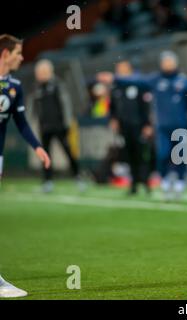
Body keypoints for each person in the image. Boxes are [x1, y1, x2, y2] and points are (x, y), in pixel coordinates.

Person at [98, 51, 187, 200]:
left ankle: (179, 185)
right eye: (165, 61)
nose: (167, 64)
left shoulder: (183, 81)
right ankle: (165, 183)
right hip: (162, 127)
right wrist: (115, 78)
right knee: (162, 155)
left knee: (181, 157)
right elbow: (135, 81)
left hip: (180, 126)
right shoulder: (156, 79)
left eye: (169, 61)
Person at [0, 34, 51, 298]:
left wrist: (38, 146)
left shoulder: (14, 86)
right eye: (18, 53)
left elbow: (20, 122)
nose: (22, 57)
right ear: (5, 54)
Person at [30, 59, 83, 193]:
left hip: (60, 126)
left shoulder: (58, 85)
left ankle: (78, 177)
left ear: (49, 71)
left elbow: (66, 105)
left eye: (41, 72)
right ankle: (47, 181)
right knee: (45, 155)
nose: (39, 75)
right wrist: (33, 122)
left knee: (69, 152)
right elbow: (34, 107)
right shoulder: (37, 88)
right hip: (44, 127)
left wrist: (67, 123)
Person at [109, 59, 153, 195]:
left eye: (123, 68)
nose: (120, 71)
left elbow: (145, 106)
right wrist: (113, 119)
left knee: (142, 155)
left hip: (138, 126)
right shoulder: (116, 87)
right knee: (129, 156)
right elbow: (113, 107)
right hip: (124, 126)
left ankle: (146, 183)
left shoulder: (138, 84)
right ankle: (133, 184)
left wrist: (147, 124)